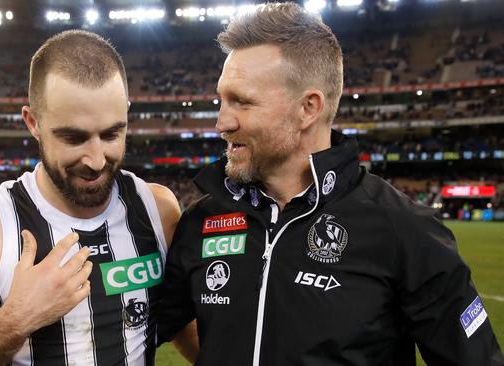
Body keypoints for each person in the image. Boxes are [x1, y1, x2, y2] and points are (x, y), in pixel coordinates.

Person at [157, 3, 504, 365]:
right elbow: (141, 328)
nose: (221, 122)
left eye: (241, 102)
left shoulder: (403, 229)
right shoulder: (202, 220)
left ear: (308, 108)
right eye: (221, 100)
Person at [0, 30, 184, 365]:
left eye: (112, 133)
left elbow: (193, 333)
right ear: (33, 123)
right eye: (74, 137)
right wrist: (14, 322)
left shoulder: (158, 210)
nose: (96, 160)